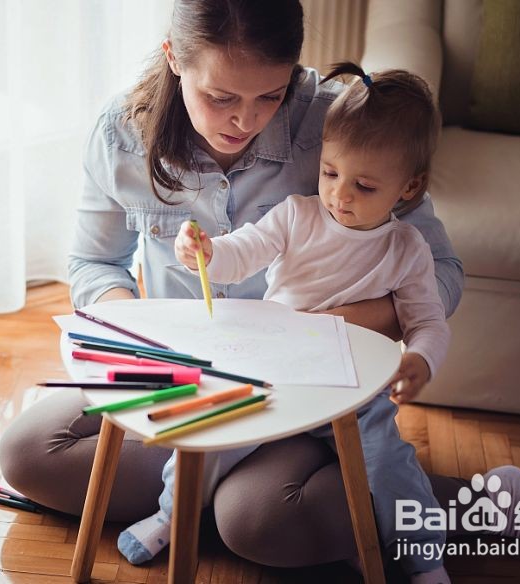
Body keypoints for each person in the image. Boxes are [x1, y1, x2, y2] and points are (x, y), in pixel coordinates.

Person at [0, 0, 520, 574]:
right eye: (220, 96)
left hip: (304, 393)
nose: (245, 120)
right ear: (173, 57)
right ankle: (236, 499)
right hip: (184, 382)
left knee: (258, 521)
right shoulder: (122, 131)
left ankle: (484, 506)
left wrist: (345, 322)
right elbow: (93, 265)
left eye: (270, 95)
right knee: (30, 450)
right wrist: (145, 342)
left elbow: (440, 276)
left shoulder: (341, 125)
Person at [121, 63, 451, 583]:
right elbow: (243, 253)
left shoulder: (407, 249)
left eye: (364, 186)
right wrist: (205, 252)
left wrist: (420, 358)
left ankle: (425, 559)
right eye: (330, 172)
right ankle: (170, 514)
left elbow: (428, 319)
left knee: (391, 465)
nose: (340, 195)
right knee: (209, 429)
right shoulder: (297, 215)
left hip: (356, 392)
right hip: (277, 373)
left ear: (409, 187)